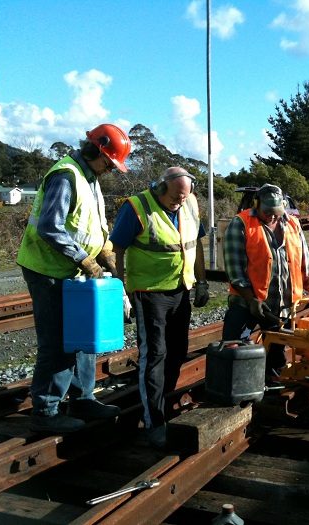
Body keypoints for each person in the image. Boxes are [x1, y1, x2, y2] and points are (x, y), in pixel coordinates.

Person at [17, 123, 131, 433]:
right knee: (57, 342)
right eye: (109, 162)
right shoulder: (66, 175)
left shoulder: (89, 177)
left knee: (84, 335)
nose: (110, 169)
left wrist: (105, 252)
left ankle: (82, 398)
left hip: (72, 270)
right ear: (96, 151)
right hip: (48, 270)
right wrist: (85, 259)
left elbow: (93, 225)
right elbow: (50, 227)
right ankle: (46, 410)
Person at [110, 166, 209, 448]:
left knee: (177, 351)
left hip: (181, 289)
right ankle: (153, 420)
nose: (180, 202)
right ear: (161, 187)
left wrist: (201, 281)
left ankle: (164, 402)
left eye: (184, 197)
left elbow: (195, 244)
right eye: (176, 197)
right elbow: (116, 249)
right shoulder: (137, 207)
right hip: (149, 293)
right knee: (154, 354)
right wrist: (120, 291)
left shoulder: (188, 203)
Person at [222, 183, 309, 380]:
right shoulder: (240, 224)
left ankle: (272, 390)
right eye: (267, 212)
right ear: (256, 205)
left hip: (281, 306)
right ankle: (237, 388)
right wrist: (252, 300)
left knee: (277, 354)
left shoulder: (293, 224)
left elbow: (305, 265)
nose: (272, 216)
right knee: (234, 348)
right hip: (246, 303)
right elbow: (235, 270)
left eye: (276, 212)